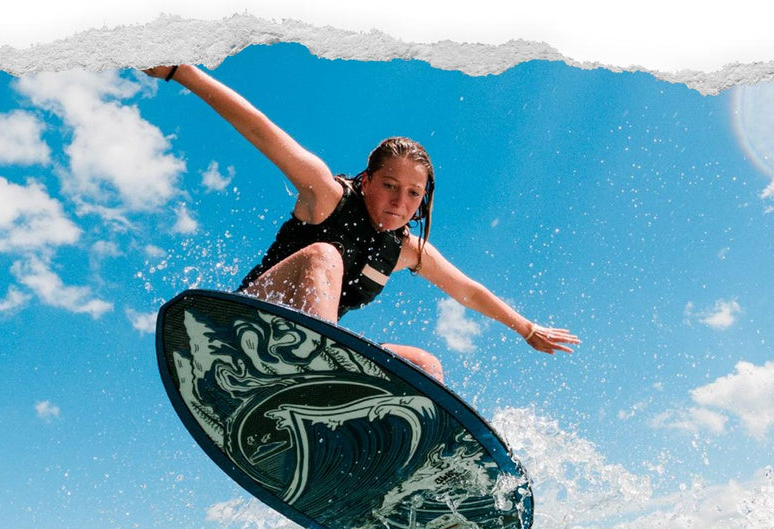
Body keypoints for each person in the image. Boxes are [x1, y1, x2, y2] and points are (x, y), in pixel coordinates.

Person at [143, 64, 579, 381]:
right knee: (323, 255)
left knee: (424, 366)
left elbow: (466, 290)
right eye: (390, 185)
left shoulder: (405, 248)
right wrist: (181, 71)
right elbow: (259, 129)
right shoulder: (326, 194)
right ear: (367, 180)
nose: (400, 201)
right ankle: (321, 367)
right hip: (237, 332)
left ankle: (400, 468)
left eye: (413, 194)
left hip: (293, 360)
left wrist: (526, 328)